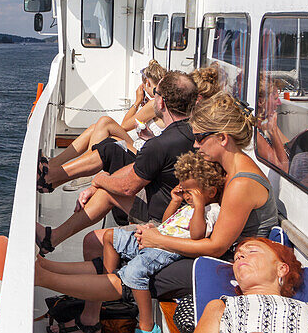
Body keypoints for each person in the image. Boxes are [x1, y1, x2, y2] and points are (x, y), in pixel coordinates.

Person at [35, 151, 224, 333]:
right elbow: (167, 221)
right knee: (110, 237)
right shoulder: (187, 205)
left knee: (134, 273)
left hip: (166, 249)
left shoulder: (211, 210)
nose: (186, 196)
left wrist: (199, 206)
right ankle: (106, 282)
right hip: (156, 237)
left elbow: (196, 235)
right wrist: (176, 201)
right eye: (184, 191)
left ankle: (146, 324)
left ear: (210, 192)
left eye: (190, 193)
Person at [35, 70, 198, 256]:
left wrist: (99, 180)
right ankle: (52, 234)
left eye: (156, 93)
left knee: (108, 177)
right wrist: (102, 182)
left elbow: (127, 188)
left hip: (164, 216)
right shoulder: (195, 134)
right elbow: (137, 170)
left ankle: (50, 180)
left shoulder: (160, 144)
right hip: (178, 206)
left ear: (161, 102)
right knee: (109, 158)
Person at [145, 91, 281, 301]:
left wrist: (159, 240)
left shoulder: (242, 183)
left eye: (199, 137)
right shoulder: (229, 170)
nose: (195, 145)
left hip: (236, 265)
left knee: (149, 274)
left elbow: (216, 247)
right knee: (142, 262)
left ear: (222, 138)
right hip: (226, 254)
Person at [38, 61, 168, 192]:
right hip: (145, 148)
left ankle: (79, 172)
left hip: (144, 154)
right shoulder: (158, 102)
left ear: (148, 83)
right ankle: (54, 166)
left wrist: (137, 102)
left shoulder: (153, 104)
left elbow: (125, 125)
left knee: (105, 122)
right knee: (96, 128)